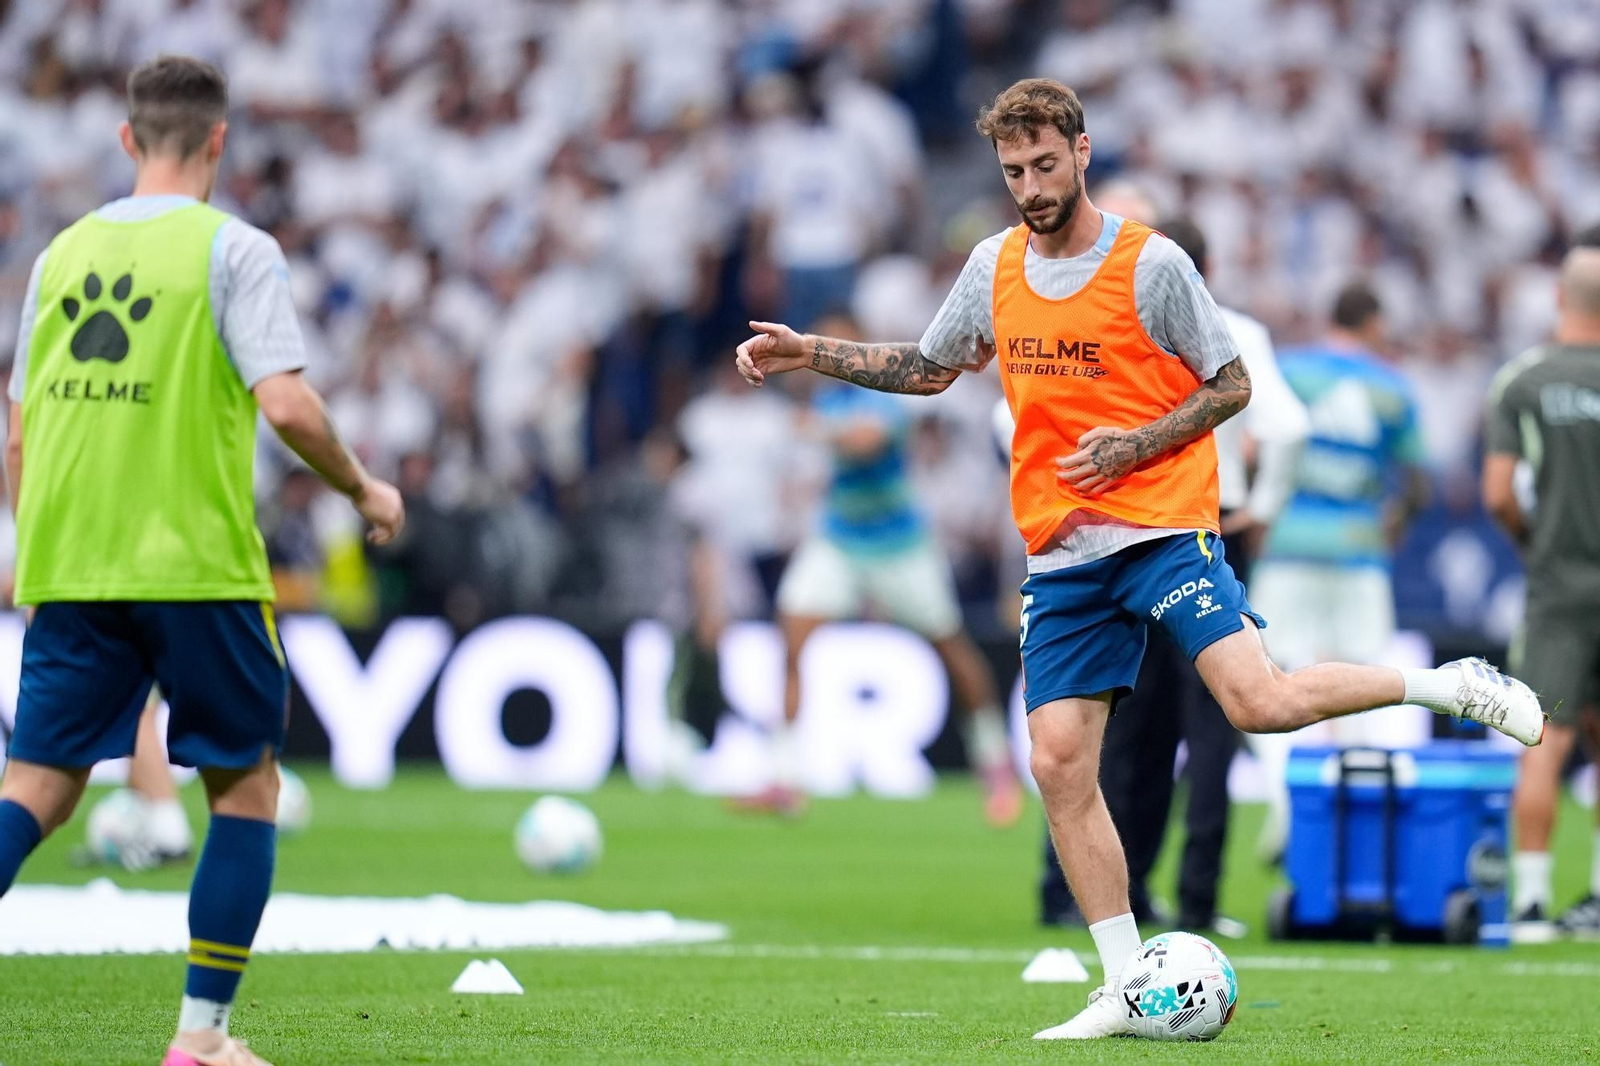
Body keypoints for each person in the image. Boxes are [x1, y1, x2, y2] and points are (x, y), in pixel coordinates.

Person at [734, 77, 1543, 1041]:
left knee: (1258, 703)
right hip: (1063, 554)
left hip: (1161, 530)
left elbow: (1231, 383)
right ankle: (1126, 984)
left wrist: (1135, 446)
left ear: (1082, 151)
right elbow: (930, 367)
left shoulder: (1152, 264)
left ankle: (1448, 684)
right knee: (1058, 762)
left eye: (1045, 165)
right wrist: (810, 352)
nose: (1031, 187)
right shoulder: (993, 265)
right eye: (1013, 171)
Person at [0, 56, 403, 1066]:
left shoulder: (59, 256)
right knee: (243, 787)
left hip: (75, 560)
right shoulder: (235, 249)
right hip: (196, 561)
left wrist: (37, 548)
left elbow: (18, 433)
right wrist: (363, 488)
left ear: (127, 139)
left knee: (37, 787)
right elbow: (288, 405)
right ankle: (202, 1041)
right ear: (220, 140)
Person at [1036, 204, 1310, 937]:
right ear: (1205, 270)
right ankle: (1196, 897)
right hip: (1206, 532)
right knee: (1217, 724)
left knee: (1134, 727)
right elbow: (1288, 427)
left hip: (1125, 534)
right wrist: (1265, 508)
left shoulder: (1112, 316)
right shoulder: (1238, 330)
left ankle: (1120, 894)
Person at [744, 313, 1022, 824]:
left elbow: (865, 442)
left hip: (901, 547)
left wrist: (814, 430)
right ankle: (784, 778)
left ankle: (996, 764)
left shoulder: (886, 395)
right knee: (791, 636)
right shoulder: (828, 401)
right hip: (840, 540)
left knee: (951, 647)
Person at [1248, 282, 1431, 862]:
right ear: (1372, 323)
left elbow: (1254, 448)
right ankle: (1351, 822)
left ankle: (1288, 799)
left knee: (1264, 677)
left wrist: (1260, 511)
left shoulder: (1290, 371)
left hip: (1288, 543)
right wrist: (1393, 523)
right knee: (1361, 680)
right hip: (1359, 547)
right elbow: (1418, 481)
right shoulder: (1392, 386)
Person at [1483, 223, 1600, 941]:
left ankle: (1529, 903)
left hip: (1558, 586)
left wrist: (1535, 543)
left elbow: (1499, 493)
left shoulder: (1523, 380)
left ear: (1559, 297)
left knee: (1544, 736)